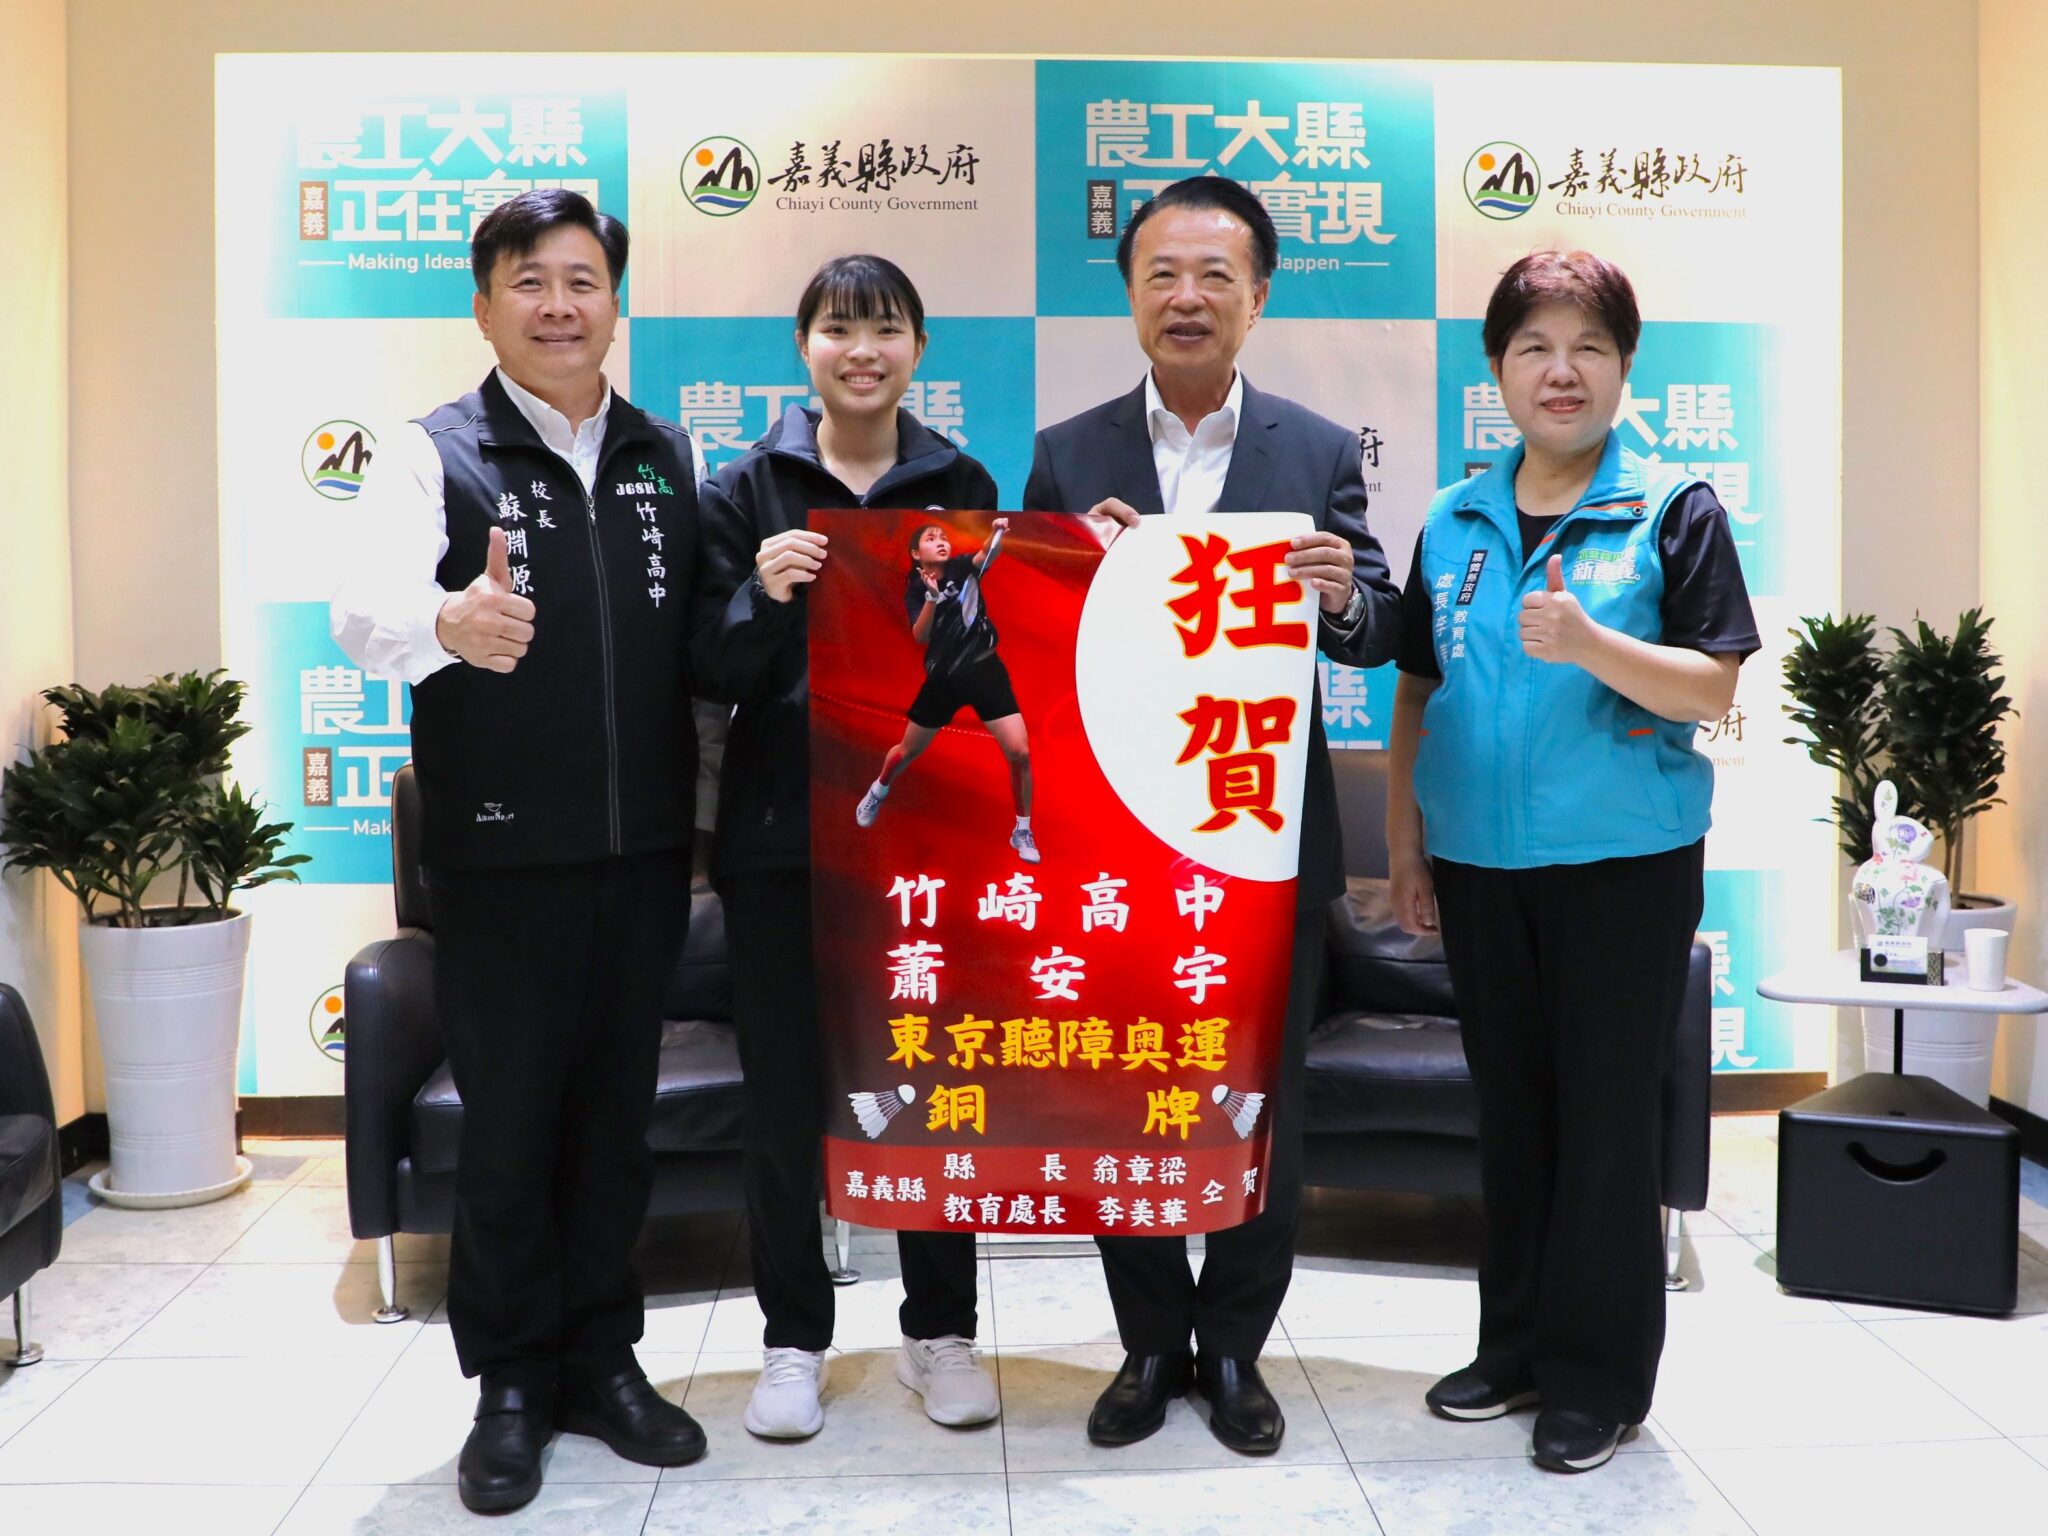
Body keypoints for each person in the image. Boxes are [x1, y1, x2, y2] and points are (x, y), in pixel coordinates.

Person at [330, 188, 707, 1514]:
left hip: (645, 850)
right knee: (506, 1131)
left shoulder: (662, 454)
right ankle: (509, 1384)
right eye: (530, 282)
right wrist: (447, 623)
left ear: (615, 301)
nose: (559, 306)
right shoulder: (434, 454)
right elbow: (362, 610)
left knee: (613, 1126)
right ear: (485, 307)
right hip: (498, 856)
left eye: (582, 280)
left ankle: (604, 1360)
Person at [1023, 175, 1401, 1455]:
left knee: (1260, 1101)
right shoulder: (1069, 451)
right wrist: (1069, 568)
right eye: (1160, 275)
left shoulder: (1316, 448)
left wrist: (1341, 594)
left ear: (1258, 296)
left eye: (1213, 276)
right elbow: (1024, 640)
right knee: (1121, 1087)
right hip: (1117, 834)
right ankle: (1147, 1343)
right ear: (1129, 294)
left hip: (1264, 832)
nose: (1186, 298)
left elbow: (1375, 629)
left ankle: (1234, 1347)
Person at [1384, 250, 1759, 1473]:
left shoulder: (1672, 509)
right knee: (1511, 1114)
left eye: (1588, 347)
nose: (1561, 371)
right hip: (1477, 861)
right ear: (1495, 370)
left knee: (1602, 1124)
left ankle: (1595, 1380)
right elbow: (1417, 687)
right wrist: (1405, 843)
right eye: (1534, 348)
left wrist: (1592, 642)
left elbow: (1709, 687)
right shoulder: (1453, 517)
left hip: (1621, 866)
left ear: (1623, 367)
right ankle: (1513, 1348)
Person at [691, 253, 1002, 1442]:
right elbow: (704, 666)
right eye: (836, 328)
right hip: (780, 838)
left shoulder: (960, 482)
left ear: (918, 348)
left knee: (931, 1081)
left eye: (883, 329)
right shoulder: (742, 488)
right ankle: (792, 1341)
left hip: (924, 837)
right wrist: (760, 596)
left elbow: (985, 651)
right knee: (781, 1098)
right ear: (803, 347)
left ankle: (940, 1333)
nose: (860, 350)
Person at [855, 517, 1038, 862]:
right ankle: (879, 789)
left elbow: (987, 554)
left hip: (985, 670)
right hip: (944, 679)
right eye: (930, 538)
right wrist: (932, 598)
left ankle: (1022, 829)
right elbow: (920, 636)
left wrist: (997, 532)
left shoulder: (962, 566)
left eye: (943, 537)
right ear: (915, 553)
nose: (940, 541)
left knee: (1021, 753)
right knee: (907, 751)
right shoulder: (915, 588)